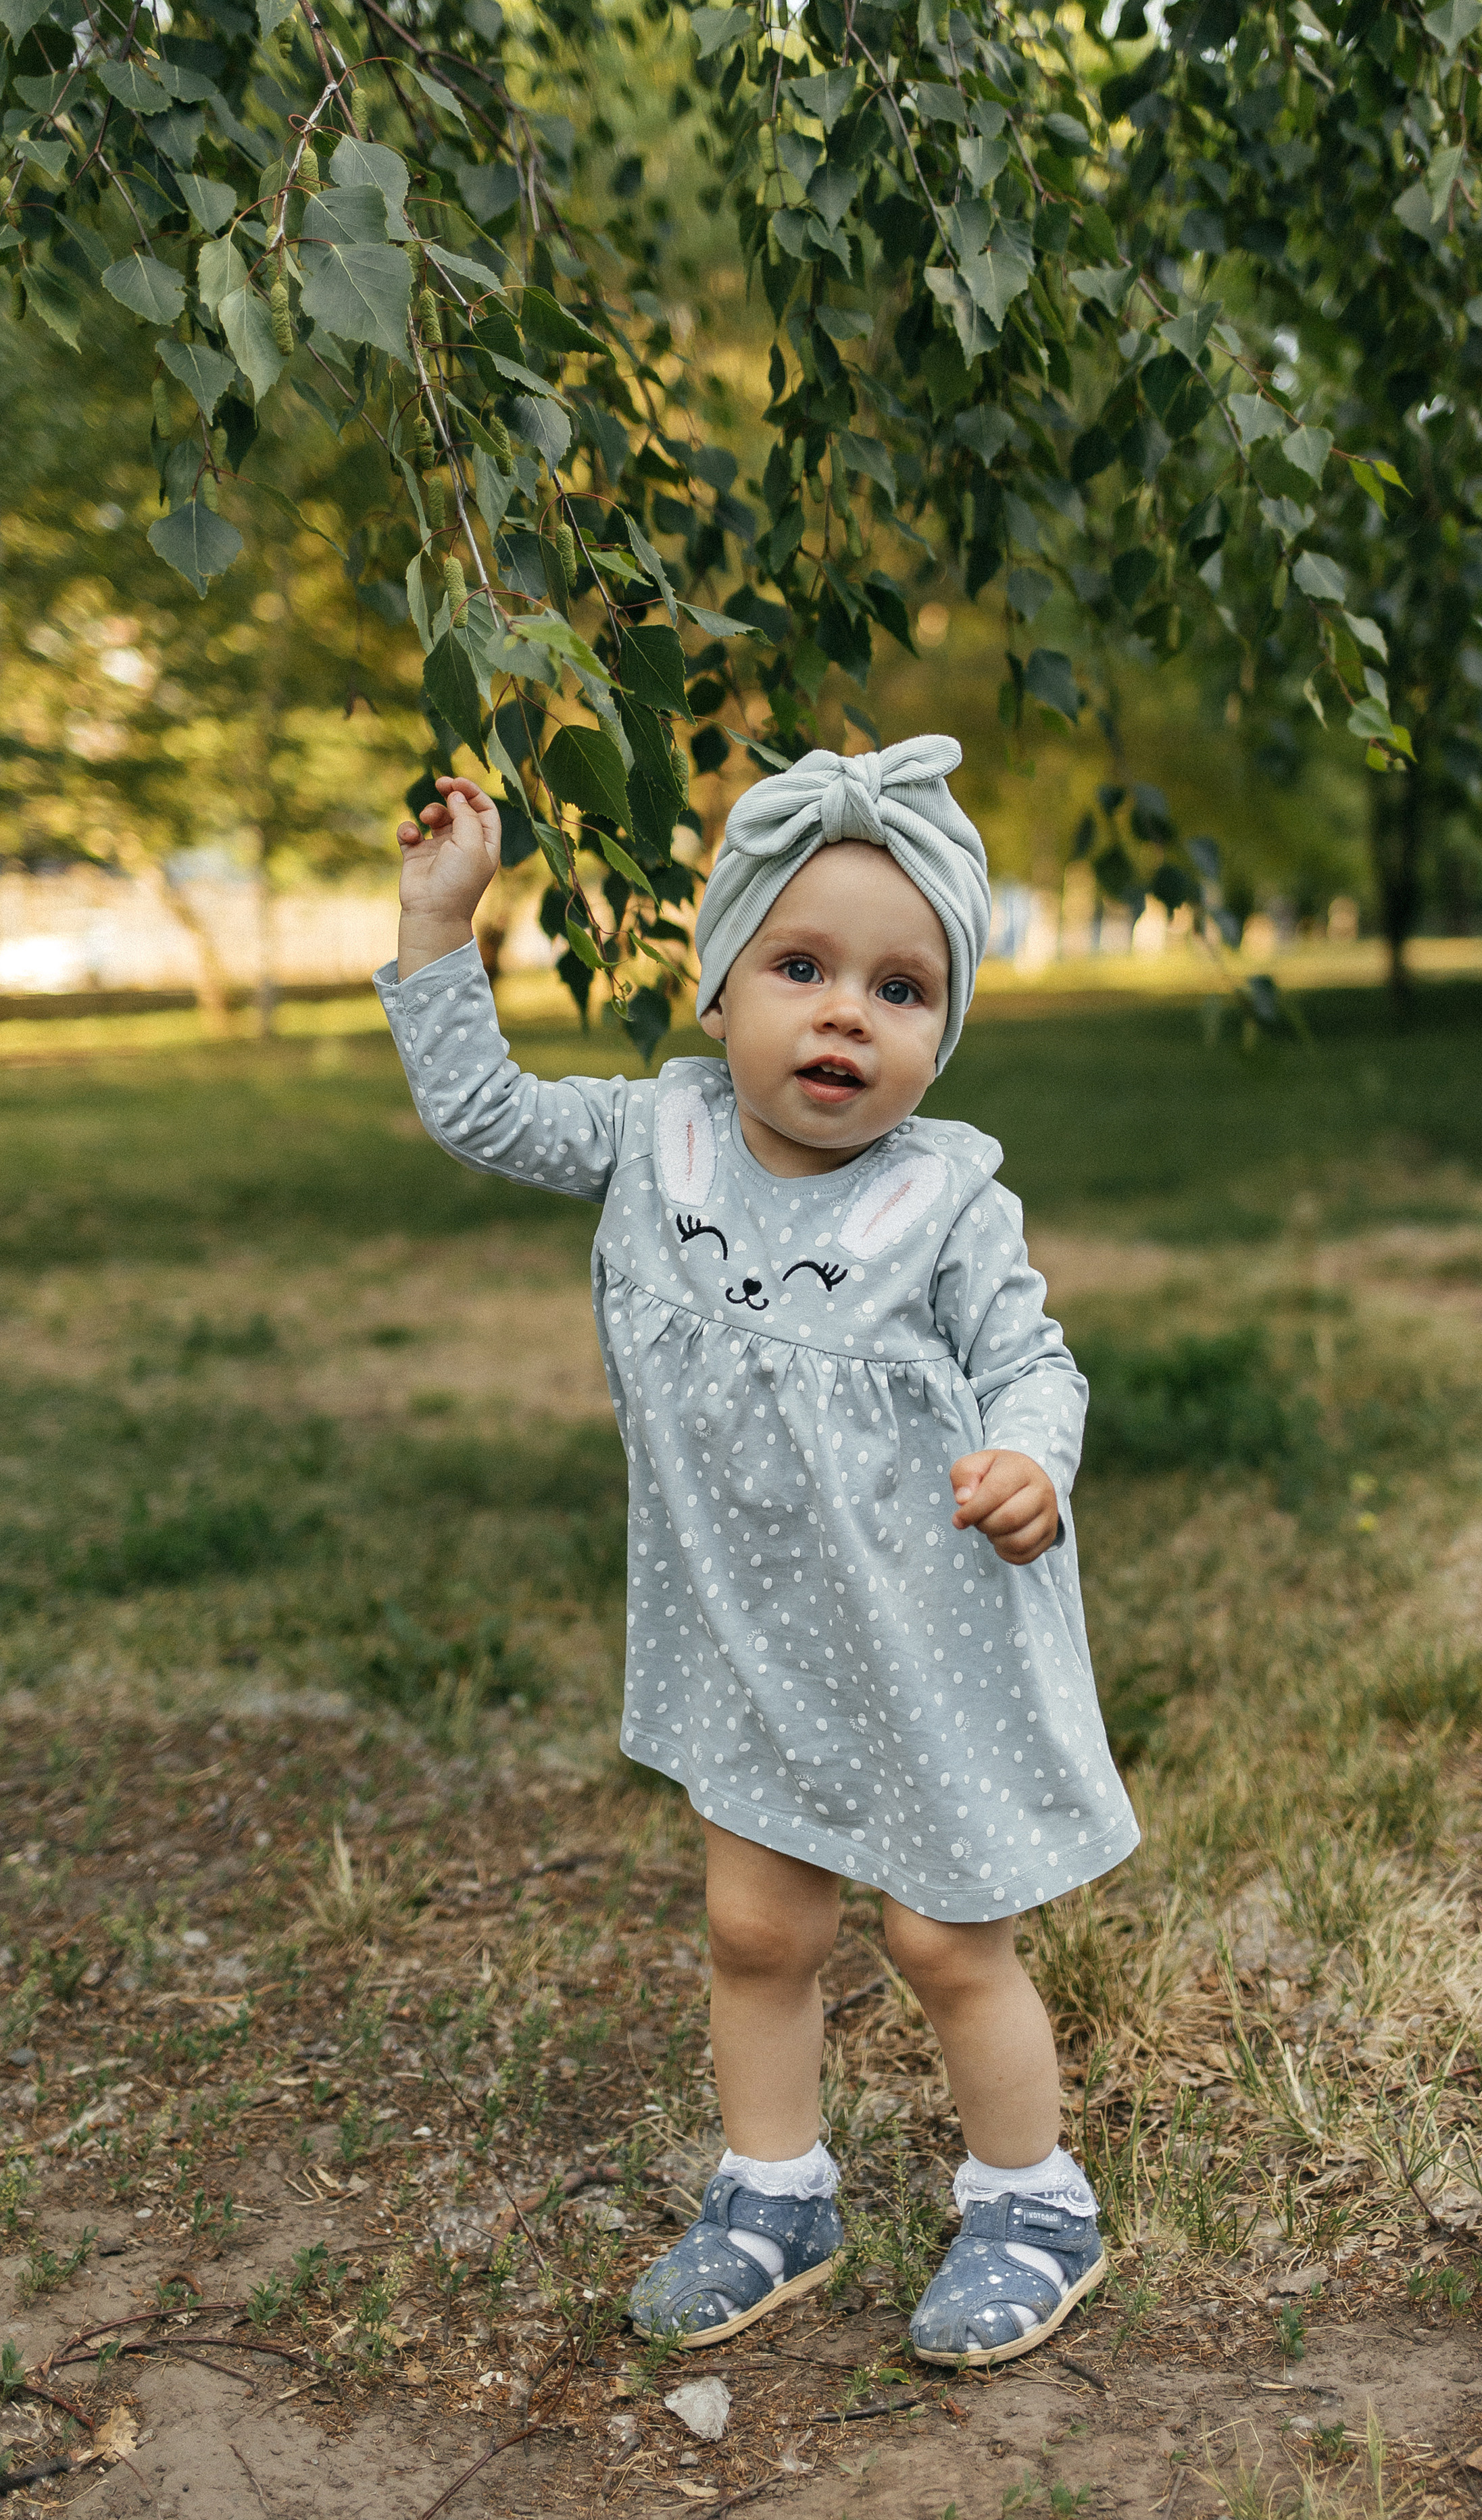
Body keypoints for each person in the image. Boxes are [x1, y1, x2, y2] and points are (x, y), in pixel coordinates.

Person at [376, 735, 1139, 2369]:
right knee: (756, 1926)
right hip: (751, 1625)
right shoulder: (654, 1143)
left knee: (941, 1939)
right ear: (719, 991)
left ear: (945, 1027)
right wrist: (439, 926)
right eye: (799, 965)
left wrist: (1031, 1460)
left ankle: (1030, 2194)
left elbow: (1033, 1361)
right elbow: (479, 1109)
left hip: (933, 1624)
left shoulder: (945, 1202)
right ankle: (770, 2190)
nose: (847, 1012)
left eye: (902, 986)